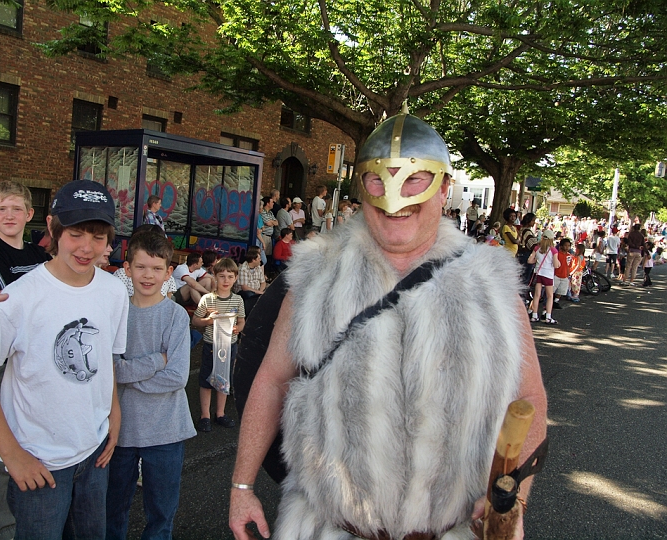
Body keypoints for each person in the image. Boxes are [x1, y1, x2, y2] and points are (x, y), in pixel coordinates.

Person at [229, 113, 547, 540]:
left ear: (444, 189)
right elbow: (270, 379)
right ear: (362, 186)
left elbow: (528, 398)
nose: (394, 197)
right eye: (380, 180)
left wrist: (514, 498)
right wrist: (242, 485)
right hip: (332, 528)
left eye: (414, 179)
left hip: (453, 530)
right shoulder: (315, 273)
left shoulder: (492, 284)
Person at [0, 180, 129, 540]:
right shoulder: (19, 297)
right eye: (76, 233)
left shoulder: (115, 290)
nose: (87, 247)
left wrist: (114, 411)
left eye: (99, 236)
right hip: (39, 461)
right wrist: (12, 453)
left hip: (95, 449)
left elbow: (104, 359)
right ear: (53, 229)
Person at [0, 180, 51, 540]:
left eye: (16, 208)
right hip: (1, 363)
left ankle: (29, 520)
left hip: (37, 360)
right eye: (1, 209)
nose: (8, 215)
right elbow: (12, 305)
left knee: (33, 439)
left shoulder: (38, 256)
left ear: (29, 215)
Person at [106, 231, 195, 540]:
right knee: (112, 511)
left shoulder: (175, 316)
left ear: (168, 272)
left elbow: (177, 378)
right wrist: (158, 359)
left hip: (166, 430)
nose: (148, 275)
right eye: (141, 267)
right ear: (127, 268)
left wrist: (127, 375)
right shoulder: (115, 313)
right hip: (121, 429)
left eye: (156, 269)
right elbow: (111, 370)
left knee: (160, 516)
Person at [192, 258, 245, 432]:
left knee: (224, 379)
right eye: (221, 276)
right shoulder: (208, 299)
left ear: (235, 278)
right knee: (207, 378)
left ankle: (220, 413)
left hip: (229, 345)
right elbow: (195, 321)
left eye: (230, 276)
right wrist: (207, 320)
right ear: (214, 276)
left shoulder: (238, 300)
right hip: (211, 345)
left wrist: (238, 328)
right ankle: (205, 415)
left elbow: (242, 321)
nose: (226, 280)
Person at [528, 229, 560, 325]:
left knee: (537, 295)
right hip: (548, 275)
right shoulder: (553, 250)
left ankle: (534, 315)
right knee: (550, 296)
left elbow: (530, 260)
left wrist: (536, 262)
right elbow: (555, 264)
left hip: (539, 273)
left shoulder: (537, 248)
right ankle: (548, 317)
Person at [235, 247, 266, 317]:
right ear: (253, 260)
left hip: (258, 290)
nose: (260, 260)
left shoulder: (258, 267)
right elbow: (245, 287)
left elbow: (263, 282)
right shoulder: (243, 269)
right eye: (258, 259)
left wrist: (260, 291)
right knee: (249, 295)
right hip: (245, 292)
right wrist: (259, 293)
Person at [552, 238, 572, 310]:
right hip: (556, 275)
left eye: (568, 246)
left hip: (564, 276)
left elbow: (569, 266)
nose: (567, 247)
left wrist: (568, 275)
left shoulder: (569, 256)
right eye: (565, 245)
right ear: (561, 246)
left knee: (561, 290)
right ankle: (550, 301)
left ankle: (556, 301)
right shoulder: (557, 254)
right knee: (552, 289)